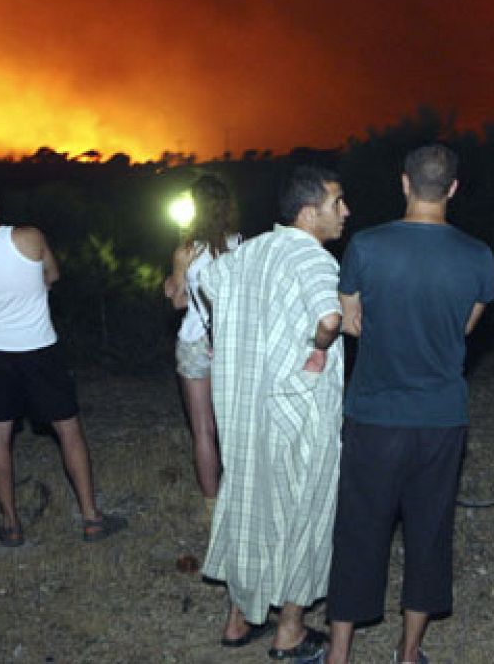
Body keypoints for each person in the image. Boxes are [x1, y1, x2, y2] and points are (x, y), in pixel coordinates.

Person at [325, 144, 494, 664]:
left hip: (374, 414)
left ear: (404, 183)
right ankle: (408, 651)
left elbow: (350, 322)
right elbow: (465, 327)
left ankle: (339, 653)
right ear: (453, 189)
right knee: (429, 531)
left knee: (358, 531)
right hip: (440, 417)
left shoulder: (367, 247)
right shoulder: (478, 255)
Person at [200, 166, 349, 662]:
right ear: (310, 213)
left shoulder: (250, 251)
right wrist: (316, 351)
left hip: (246, 410)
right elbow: (330, 318)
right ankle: (289, 631)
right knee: (302, 512)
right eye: (337, 203)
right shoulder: (313, 258)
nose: (344, 212)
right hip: (298, 411)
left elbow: (209, 285)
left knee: (251, 504)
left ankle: (239, 619)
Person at [0, 182, 122, 547]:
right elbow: (53, 276)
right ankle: (91, 518)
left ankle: (11, 526)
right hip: (41, 348)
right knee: (68, 430)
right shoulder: (29, 237)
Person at [162, 174, 242, 519]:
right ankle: (241, 495)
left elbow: (179, 302)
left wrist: (170, 283)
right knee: (235, 424)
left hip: (195, 341)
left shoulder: (186, 250)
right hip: (233, 344)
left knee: (202, 429)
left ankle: (212, 506)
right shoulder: (241, 245)